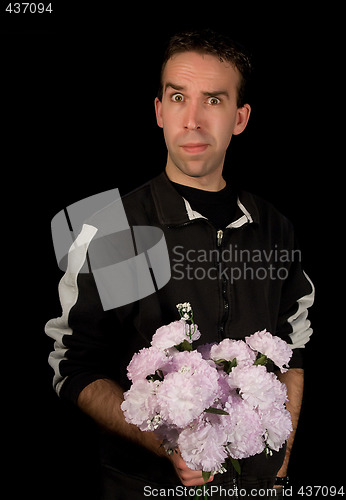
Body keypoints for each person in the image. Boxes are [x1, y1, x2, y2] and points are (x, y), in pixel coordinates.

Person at [45, 29, 314, 499]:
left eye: (213, 100)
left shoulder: (274, 229)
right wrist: (163, 441)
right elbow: (75, 367)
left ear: (240, 118)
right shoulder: (111, 231)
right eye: (177, 97)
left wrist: (278, 467)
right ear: (158, 110)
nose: (191, 120)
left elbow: (295, 352)